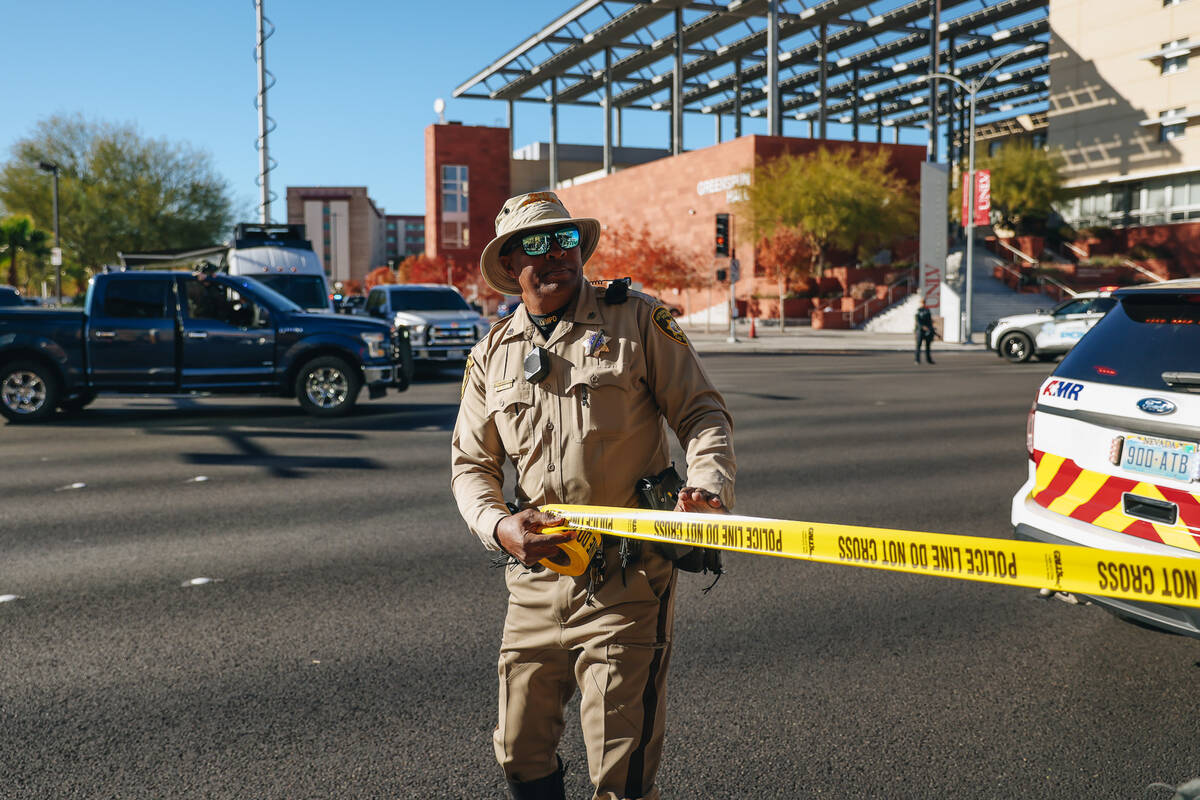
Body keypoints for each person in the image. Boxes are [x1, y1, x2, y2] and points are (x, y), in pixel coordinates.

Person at [451, 191, 736, 800]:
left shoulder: (637, 319)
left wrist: (706, 488)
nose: (555, 253)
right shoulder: (492, 354)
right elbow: (471, 465)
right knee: (519, 750)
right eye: (535, 244)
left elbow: (703, 415)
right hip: (536, 575)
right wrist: (499, 527)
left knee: (618, 768)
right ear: (508, 265)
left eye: (565, 239)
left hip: (627, 576)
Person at [915, 298, 935, 364]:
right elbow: (918, 321)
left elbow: (929, 320)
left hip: (927, 330)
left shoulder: (927, 310)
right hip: (920, 330)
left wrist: (931, 327)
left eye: (924, 302)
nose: (923, 304)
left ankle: (928, 359)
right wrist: (923, 326)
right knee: (918, 346)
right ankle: (917, 360)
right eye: (922, 302)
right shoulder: (918, 311)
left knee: (928, 346)